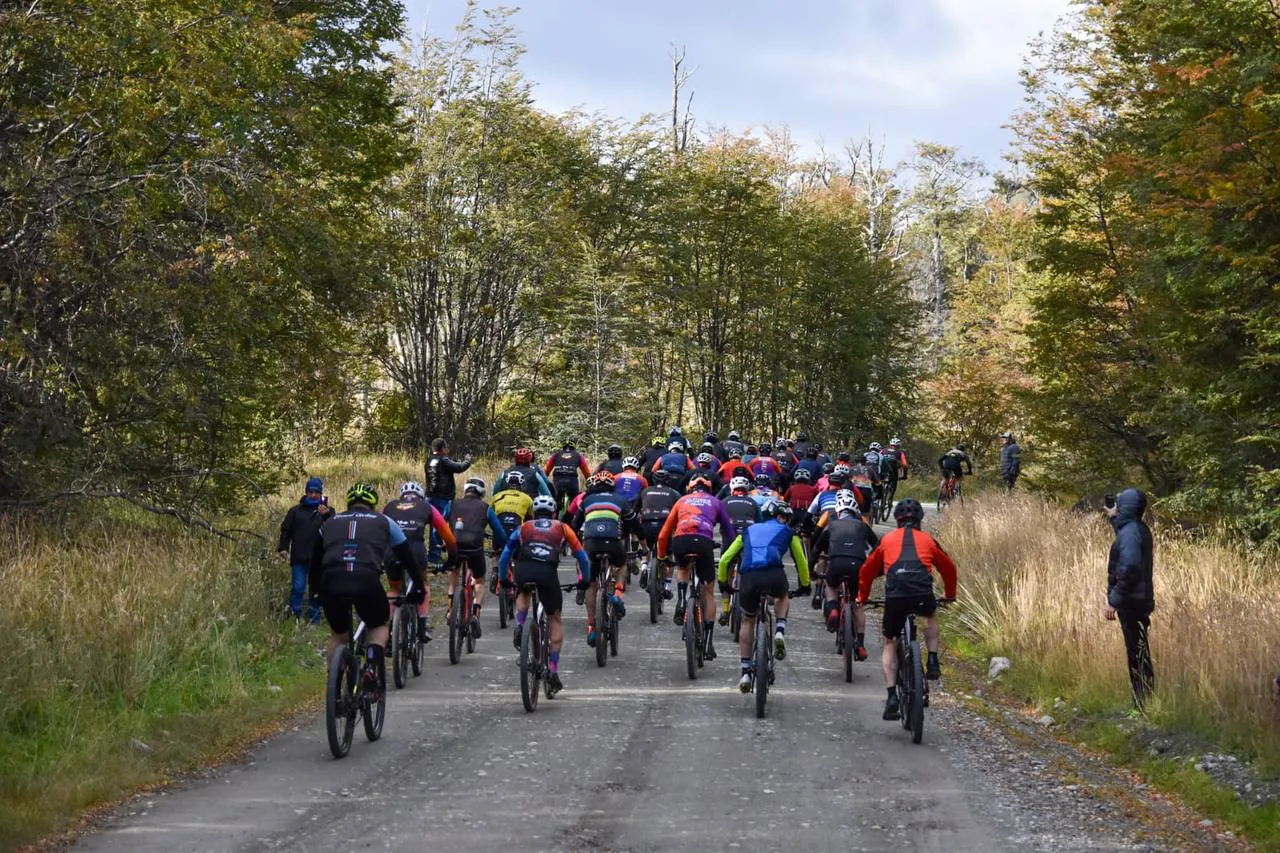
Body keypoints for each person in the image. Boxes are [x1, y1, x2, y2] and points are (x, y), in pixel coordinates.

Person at [311, 483, 427, 701]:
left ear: (348, 503)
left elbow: (315, 561)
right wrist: (419, 586)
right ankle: (372, 668)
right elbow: (406, 555)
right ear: (373, 505)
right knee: (377, 625)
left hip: (332, 579)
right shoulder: (384, 521)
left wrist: (315, 592)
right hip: (365, 578)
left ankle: (334, 689)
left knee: (339, 634)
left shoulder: (329, 522)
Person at [857, 498, 957, 721]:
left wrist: (862, 598)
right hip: (922, 593)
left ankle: (892, 695)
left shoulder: (886, 539)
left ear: (898, 520)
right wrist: (950, 595)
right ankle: (932, 659)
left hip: (896, 596)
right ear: (920, 519)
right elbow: (948, 568)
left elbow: (866, 571)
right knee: (930, 615)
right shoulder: (928, 540)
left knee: (890, 641)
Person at [497, 495, 590, 695]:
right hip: (547, 574)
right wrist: (585, 579)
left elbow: (505, 555)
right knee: (554, 618)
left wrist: (503, 578)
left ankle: (520, 627)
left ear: (533, 513)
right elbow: (581, 556)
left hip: (524, 569)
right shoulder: (562, 527)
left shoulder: (524, 527)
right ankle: (553, 672)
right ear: (554, 513)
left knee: (524, 592)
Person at [717, 501, 810, 691]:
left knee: (747, 620)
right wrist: (805, 585)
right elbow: (801, 560)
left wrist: (723, 583)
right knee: (782, 596)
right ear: (780, 517)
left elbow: (726, 559)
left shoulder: (748, 532)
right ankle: (779, 630)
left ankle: (745, 672)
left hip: (749, 577)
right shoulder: (787, 532)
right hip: (774, 575)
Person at [656, 475, 736, 659]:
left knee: (682, 569)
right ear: (709, 489)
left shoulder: (681, 500)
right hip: (703, 542)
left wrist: (661, 557)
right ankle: (708, 641)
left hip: (681, 541)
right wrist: (733, 554)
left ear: (689, 488)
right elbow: (730, 533)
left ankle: (682, 599)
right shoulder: (716, 501)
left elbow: (663, 535)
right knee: (708, 592)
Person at [384, 481, 457, 641]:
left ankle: (389, 632)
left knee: (394, 589)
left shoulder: (389, 506)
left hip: (391, 553)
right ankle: (422, 628)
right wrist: (451, 558)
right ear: (420, 496)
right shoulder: (427, 507)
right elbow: (449, 538)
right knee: (423, 584)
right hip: (415, 551)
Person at [809, 490, 878, 660]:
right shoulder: (862, 525)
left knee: (831, 586)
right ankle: (860, 644)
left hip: (836, 563)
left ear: (838, 511)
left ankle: (832, 609)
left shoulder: (831, 525)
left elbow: (816, 550)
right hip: (858, 565)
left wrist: (811, 570)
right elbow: (877, 546)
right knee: (858, 605)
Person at [571, 471, 635, 647]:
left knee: (591, 584)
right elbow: (632, 522)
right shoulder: (620, 500)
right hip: (613, 543)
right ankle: (618, 593)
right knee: (621, 564)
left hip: (591, 544)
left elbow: (574, 525)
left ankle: (591, 627)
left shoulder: (586, 501)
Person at [1104, 488, 1155, 708]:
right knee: (1137, 650)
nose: (1114, 507)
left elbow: (1130, 566)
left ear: (1125, 507)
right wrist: (1114, 518)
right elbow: (1124, 535)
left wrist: (1114, 599)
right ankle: (1142, 700)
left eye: (1117, 505)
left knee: (1137, 651)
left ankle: (1141, 703)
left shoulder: (1130, 532)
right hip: (1138, 598)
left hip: (1132, 601)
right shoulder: (1135, 529)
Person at [447, 477, 508, 638]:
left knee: (454, 572)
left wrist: (439, 542)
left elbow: (438, 526)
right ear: (481, 493)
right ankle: (475, 613)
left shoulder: (451, 504)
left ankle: (450, 608)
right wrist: (503, 546)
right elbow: (499, 532)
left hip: (455, 547)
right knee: (479, 580)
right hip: (475, 548)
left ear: (465, 490)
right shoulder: (486, 508)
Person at [277, 476, 333, 622]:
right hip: (299, 556)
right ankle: (295, 616)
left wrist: (326, 515)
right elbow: (286, 530)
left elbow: (335, 529)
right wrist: (283, 548)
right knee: (298, 588)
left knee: (316, 590)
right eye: (310, 492)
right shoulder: (295, 511)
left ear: (321, 494)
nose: (313, 495)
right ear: (306, 492)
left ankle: (314, 618)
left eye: (316, 492)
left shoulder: (328, 511)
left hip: (319, 559)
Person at [426, 438, 473, 562]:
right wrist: (467, 460)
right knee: (446, 525)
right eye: (446, 447)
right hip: (443, 498)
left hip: (430, 497)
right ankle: (451, 553)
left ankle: (434, 554)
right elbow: (459, 467)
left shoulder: (429, 460)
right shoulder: (443, 460)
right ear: (442, 449)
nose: (448, 449)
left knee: (434, 525)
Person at [637, 469, 681, 593]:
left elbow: (636, 510)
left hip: (646, 524)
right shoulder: (674, 493)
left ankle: (645, 566)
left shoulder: (645, 491)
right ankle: (667, 585)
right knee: (669, 554)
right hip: (664, 525)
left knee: (647, 548)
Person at [545, 441, 591, 515]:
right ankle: (573, 521)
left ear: (563, 448)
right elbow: (586, 471)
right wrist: (589, 481)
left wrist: (545, 479)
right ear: (573, 448)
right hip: (571, 479)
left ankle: (555, 518)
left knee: (556, 501)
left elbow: (547, 470)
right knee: (574, 501)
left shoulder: (556, 455)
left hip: (558, 479)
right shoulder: (578, 455)